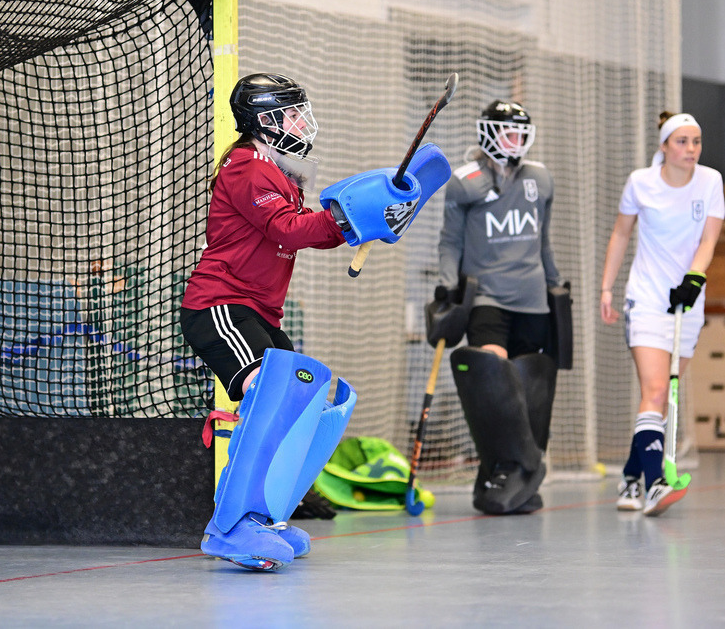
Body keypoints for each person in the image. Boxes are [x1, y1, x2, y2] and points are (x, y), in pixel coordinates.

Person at [180, 73, 427, 571]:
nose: (301, 122)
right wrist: (348, 219)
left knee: (295, 403)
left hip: (258, 312)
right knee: (268, 398)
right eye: (292, 113)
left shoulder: (278, 171)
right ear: (266, 121)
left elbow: (307, 230)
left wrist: (363, 220)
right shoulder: (246, 167)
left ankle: (263, 516)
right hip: (221, 305)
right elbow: (289, 231)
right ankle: (230, 529)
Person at [436, 99, 565, 515]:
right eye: (510, 133)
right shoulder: (463, 181)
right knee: (492, 378)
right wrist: (446, 285)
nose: (517, 141)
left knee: (531, 387)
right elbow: (450, 241)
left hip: (532, 299)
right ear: (489, 133)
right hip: (488, 296)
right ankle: (522, 466)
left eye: (522, 134)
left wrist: (554, 284)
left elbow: (542, 241)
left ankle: (517, 480)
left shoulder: (540, 179)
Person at [599, 111, 724, 517]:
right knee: (655, 390)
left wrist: (694, 279)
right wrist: (606, 287)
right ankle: (655, 484)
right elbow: (621, 233)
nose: (691, 149)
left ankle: (631, 476)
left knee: (661, 396)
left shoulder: (711, 181)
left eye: (697, 141)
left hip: (688, 301)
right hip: (648, 299)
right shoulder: (641, 183)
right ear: (664, 146)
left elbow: (708, 239)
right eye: (683, 141)